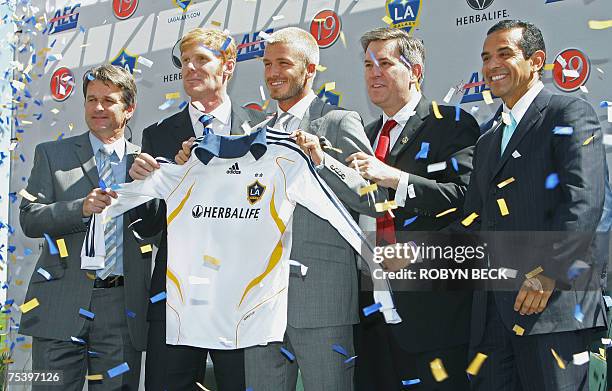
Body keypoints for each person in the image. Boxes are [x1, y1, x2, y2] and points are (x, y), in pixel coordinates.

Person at [174, 26, 389, 391]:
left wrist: (323, 163)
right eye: (267, 63)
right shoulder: (254, 134)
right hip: (260, 301)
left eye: (284, 63)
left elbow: (373, 196)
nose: (272, 73)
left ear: (310, 69)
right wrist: (191, 176)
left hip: (321, 298)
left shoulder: (338, 122)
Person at [462, 20, 607, 390]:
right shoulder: (487, 138)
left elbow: (583, 200)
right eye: (486, 57)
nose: (492, 65)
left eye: (504, 54)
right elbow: (475, 220)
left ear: (536, 60)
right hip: (493, 316)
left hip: (553, 307)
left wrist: (549, 270)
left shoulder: (568, 112)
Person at [127, 28, 266, 390]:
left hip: (241, 296)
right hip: (176, 296)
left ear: (228, 66)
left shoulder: (261, 128)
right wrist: (146, 188)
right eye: (185, 61)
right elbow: (149, 225)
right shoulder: (157, 134)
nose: (190, 67)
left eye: (201, 59)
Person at [348, 27, 479, 390]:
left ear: (416, 71)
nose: (374, 73)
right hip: (370, 313)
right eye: (367, 65)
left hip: (432, 315)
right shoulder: (364, 133)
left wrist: (394, 177)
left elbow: (464, 199)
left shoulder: (450, 123)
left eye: (385, 63)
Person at [19, 64, 150, 390]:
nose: (98, 108)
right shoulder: (52, 154)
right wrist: (79, 208)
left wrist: (152, 191)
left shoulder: (144, 163)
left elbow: (157, 230)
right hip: (58, 305)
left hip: (120, 309)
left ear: (129, 109)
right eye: (92, 100)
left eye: (108, 100)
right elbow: (29, 217)